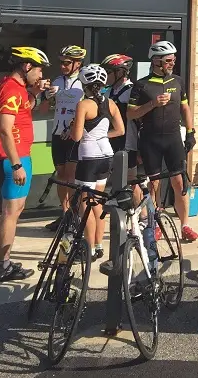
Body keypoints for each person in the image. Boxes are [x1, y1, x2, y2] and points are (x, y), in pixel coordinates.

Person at [0, 46, 50, 281]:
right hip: (14, 156)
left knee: (6, 213)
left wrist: (35, 93)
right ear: (27, 66)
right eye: (39, 70)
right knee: (12, 213)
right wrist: (16, 164)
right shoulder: (13, 90)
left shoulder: (7, 86)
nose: (41, 75)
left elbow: (23, 109)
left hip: (4, 155)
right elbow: (4, 128)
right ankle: (4, 265)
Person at [127, 41, 198, 243]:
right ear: (156, 61)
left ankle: (185, 225)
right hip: (151, 140)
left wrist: (191, 132)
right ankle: (155, 223)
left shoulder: (177, 81)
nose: (172, 63)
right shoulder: (141, 85)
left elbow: (185, 108)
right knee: (154, 184)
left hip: (174, 138)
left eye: (173, 60)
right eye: (168, 60)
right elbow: (131, 113)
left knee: (179, 182)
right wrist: (152, 104)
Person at [69, 64, 125, 261]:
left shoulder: (83, 105)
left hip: (88, 157)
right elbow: (120, 130)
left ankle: (89, 248)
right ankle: (99, 245)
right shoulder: (111, 103)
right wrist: (102, 136)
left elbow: (76, 137)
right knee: (98, 201)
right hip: (106, 155)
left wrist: (80, 133)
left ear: (84, 84)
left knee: (85, 203)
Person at [44, 45, 86, 232]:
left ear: (78, 64)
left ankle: (75, 215)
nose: (62, 66)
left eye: (67, 63)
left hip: (74, 134)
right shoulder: (57, 81)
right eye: (61, 62)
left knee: (71, 177)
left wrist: (74, 127)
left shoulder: (83, 83)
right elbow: (44, 109)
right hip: (57, 133)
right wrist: (45, 96)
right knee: (61, 177)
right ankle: (65, 213)